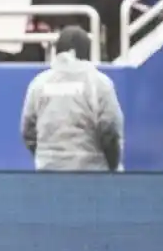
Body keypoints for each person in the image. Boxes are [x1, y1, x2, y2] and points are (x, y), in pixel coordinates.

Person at [20, 26, 124, 171]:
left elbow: (28, 131)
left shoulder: (39, 84)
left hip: (48, 172)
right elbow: (110, 130)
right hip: (92, 173)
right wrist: (113, 166)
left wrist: (47, 158)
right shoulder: (100, 83)